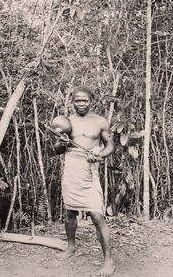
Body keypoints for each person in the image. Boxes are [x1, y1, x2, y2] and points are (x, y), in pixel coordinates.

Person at [54, 85, 115, 277]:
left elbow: (110, 146)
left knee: (97, 216)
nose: (81, 104)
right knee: (69, 213)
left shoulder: (99, 122)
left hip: (89, 171)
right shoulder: (66, 121)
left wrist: (99, 156)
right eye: (77, 100)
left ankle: (108, 261)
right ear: (72, 102)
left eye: (84, 100)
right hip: (71, 170)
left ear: (91, 101)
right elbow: (57, 150)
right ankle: (71, 247)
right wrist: (61, 143)